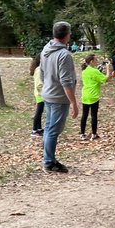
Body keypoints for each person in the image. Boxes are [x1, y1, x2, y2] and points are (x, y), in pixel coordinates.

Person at [39, 21, 78, 173]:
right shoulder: (64, 55)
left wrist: (48, 86)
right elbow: (66, 81)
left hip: (48, 94)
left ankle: (48, 158)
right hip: (58, 98)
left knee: (49, 128)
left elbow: (42, 74)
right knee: (53, 130)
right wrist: (73, 102)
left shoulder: (45, 50)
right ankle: (49, 162)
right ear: (67, 35)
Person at [79, 54, 109, 141]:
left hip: (85, 95)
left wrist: (99, 70)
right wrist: (107, 68)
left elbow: (94, 77)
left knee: (84, 115)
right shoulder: (94, 71)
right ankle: (94, 134)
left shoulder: (84, 71)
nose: (97, 61)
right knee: (93, 115)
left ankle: (82, 134)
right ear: (92, 62)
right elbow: (105, 79)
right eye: (96, 60)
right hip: (93, 96)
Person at [29, 54, 44, 138]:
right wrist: (42, 93)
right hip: (40, 94)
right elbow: (39, 84)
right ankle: (34, 130)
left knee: (40, 111)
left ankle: (39, 128)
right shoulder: (38, 70)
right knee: (38, 112)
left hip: (40, 93)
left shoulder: (39, 69)